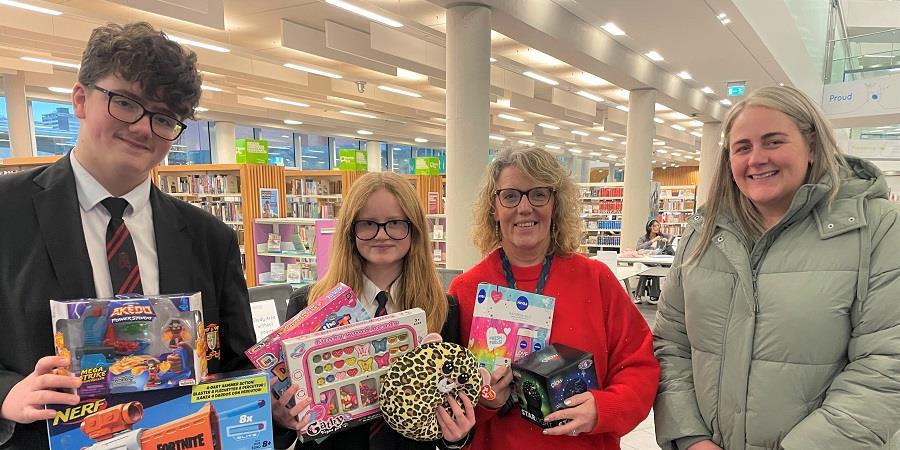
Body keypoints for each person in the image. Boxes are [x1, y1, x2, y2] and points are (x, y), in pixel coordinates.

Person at [0, 23, 256, 449]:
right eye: (125, 103)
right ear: (80, 99)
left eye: (163, 117)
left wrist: (271, 401)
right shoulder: (6, 212)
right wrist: (7, 392)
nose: (142, 128)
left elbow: (236, 363)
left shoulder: (210, 239)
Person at [653, 86, 900, 450]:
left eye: (773, 142)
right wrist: (691, 438)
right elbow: (671, 343)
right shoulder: (703, 231)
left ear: (812, 145)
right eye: (742, 147)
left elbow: (886, 364)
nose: (756, 159)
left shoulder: (876, 227)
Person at [449, 147, 660, 450]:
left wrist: (603, 408)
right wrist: (487, 403)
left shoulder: (596, 280)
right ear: (494, 208)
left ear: (555, 203)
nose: (524, 208)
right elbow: (449, 399)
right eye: (510, 196)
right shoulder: (465, 290)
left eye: (538, 194)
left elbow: (640, 366)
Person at [274, 171, 475, 450]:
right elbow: (286, 418)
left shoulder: (443, 309)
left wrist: (458, 435)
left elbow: (453, 403)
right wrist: (282, 417)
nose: (382, 235)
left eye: (395, 223)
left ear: (414, 229)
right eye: (368, 224)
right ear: (350, 230)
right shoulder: (308, 305)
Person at [633, 219, 672, 304]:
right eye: (655, 226)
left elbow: (671, 252)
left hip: (657, 262)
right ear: (649, 227)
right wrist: (652, 241)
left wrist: (667, 243)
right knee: (645, 270)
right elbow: (638, 248)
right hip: (645, 261)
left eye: (658, 226)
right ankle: (643, 295)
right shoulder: (643, 238)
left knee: (654, 269)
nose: (657, 227)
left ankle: (644, 294)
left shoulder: (663, 237)